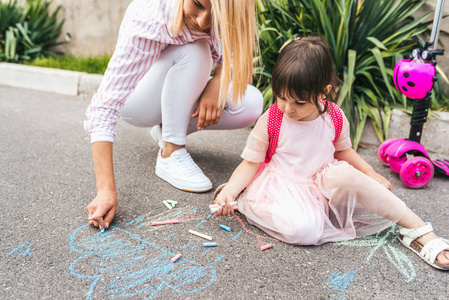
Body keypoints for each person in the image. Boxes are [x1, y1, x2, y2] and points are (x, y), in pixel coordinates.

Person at [213, 36, 449, 270]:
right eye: (281, 97)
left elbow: (344, 151)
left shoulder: (334, 117)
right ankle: (246, 200)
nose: (288, 108)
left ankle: (419, 230)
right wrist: (231, 192)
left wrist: (369, 173)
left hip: (324, 181)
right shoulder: (273, 119)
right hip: (284, 188)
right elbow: (250, 164)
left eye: (299, 102)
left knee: (352, 178)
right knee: (303, 232)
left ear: (323, 92)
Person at [84, 0, 263, 230]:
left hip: (175, 87)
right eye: (198, 4)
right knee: (196, 49)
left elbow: (232, 55)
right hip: (137, 100)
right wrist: (105, 190)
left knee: (250, 103)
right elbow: (105, 106)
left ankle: (166, 130)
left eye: (217, 16)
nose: (202, 21)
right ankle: (171, 152)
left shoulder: (228, 11)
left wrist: (218, 81)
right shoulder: (148, 16)